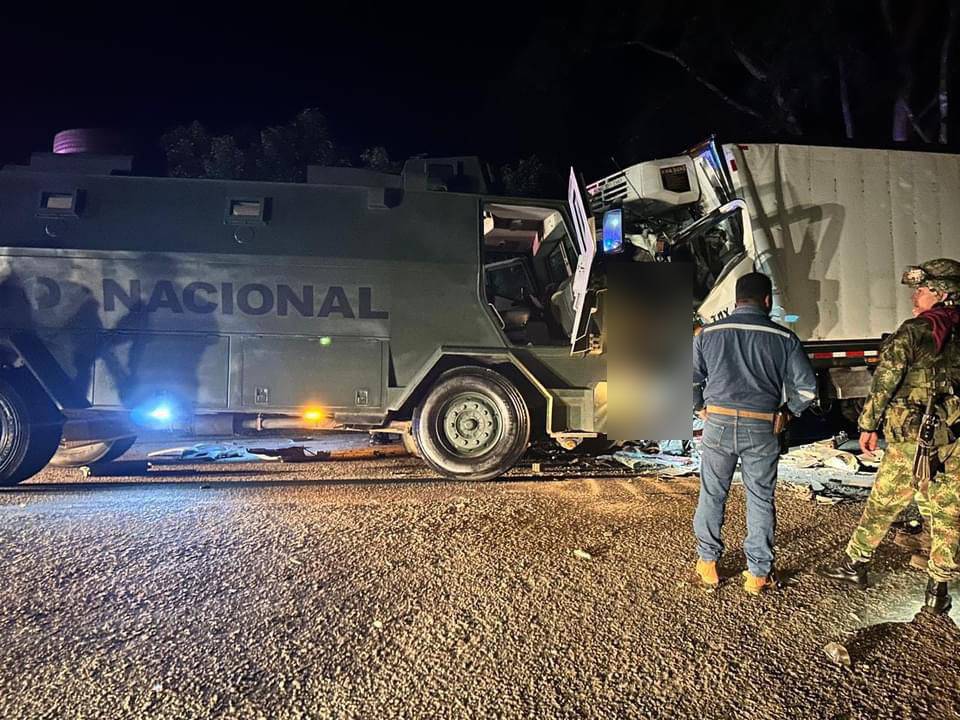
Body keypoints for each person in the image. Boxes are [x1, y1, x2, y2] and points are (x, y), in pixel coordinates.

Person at [818, 258, 960, 615]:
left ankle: (855, 564)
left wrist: (868, 426)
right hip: (955, 438)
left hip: (914, 439)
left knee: (884, 504)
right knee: (948, 511)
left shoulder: (913, 332)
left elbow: (884, 384)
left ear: (943, 295)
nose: (916, 296)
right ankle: (938, 589)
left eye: (923, 290)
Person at [693, 272, 817, 594]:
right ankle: (758, 574)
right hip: (762, 426)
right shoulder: (784, 338)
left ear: (736, 300)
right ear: (767, 300)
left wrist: (699, 407)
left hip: (717, 424)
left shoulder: (708, 333)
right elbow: (807, 390)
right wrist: (788, 413)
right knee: (760, 497)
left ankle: (708, 564)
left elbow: (688, 378)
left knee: (712, 493)